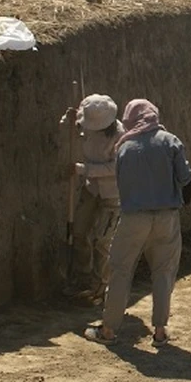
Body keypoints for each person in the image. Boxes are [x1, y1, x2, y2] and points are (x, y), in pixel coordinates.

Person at [84, 99, 191, 346]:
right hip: (167, 218)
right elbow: (185, 177)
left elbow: (123, 186)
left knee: (120, 271)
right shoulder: (171, 141)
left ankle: (109, 330)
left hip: (133, 218)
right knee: (164, 273)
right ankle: (160, 332)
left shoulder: (124, 148)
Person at [60, 94, 124, 301]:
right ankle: (82, 278)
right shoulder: (86, 122)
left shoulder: (120, 136)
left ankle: (99, 287)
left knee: (102, 241)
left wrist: (83, 169)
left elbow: (115, 168)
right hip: (91, 189)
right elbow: (73, 129)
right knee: (79, 231)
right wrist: (68, 120)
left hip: (111, 193)